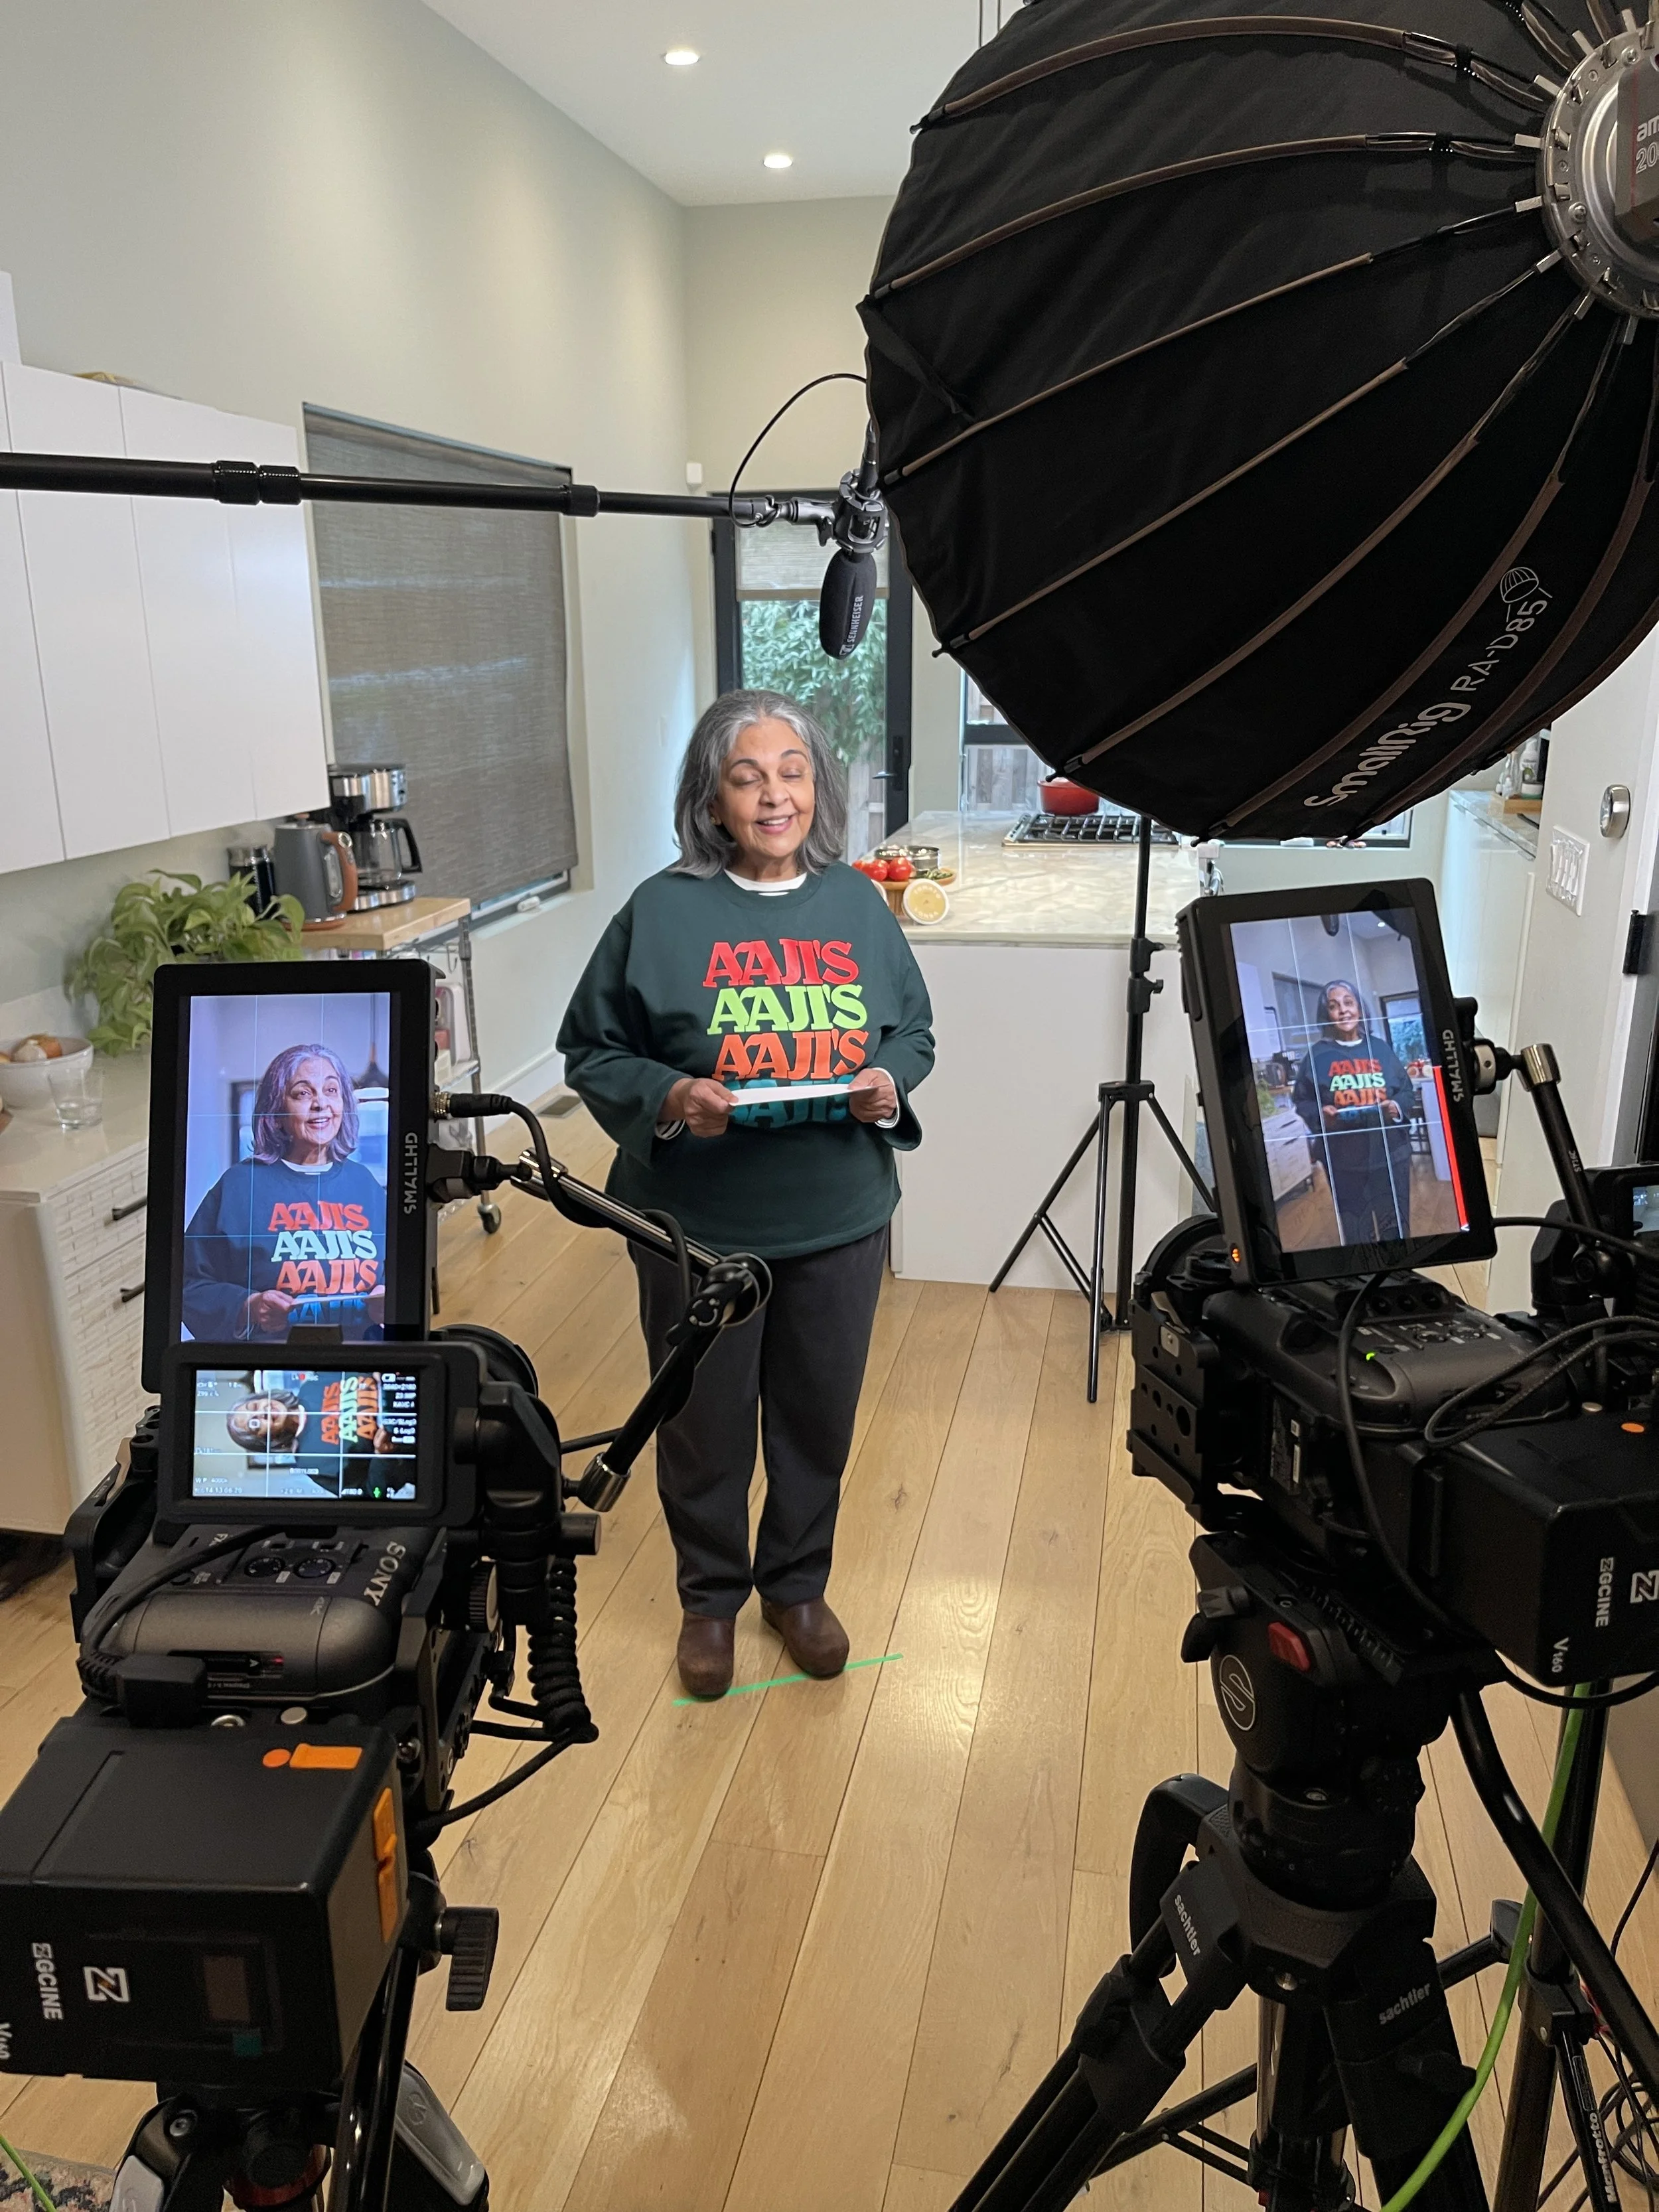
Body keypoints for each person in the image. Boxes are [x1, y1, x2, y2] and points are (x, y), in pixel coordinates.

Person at [558, 688, 935, 1700]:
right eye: (748, 776)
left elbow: (913, 1031)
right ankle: (710, 1601)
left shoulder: (857, 902)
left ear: (820, 786)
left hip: (837, 1216)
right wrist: (672, 1095)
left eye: (794, 771)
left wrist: (889, 1083)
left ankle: (797, 1587)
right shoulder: (661, 911)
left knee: (817, 1418)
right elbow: (589, 1049)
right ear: (711, 799)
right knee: (702, 1422)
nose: (776, 795)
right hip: (698, 1228)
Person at [182, 1042, 386, 1344]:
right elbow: (187, 1285)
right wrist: (251, 1307)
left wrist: (387, 1298)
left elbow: (397, 1273)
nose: (320, 1104)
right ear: (275, 1111)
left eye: (331, 1091)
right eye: (303, 1093)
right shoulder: (239, 1186)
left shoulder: (364, 1183)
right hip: (270, 1362)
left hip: (363, 1356)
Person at [1291, 979, 1414, 1244]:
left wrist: (1396, 1107)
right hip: (1344, 1162)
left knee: (1396, 1231)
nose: (1343, 1011)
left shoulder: (1380, 1048)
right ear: (1327, 1015)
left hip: (1390, 1156)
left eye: (1349, 1003)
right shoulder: (1316, 1056)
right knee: (1357, 1234)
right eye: (1334, 1007)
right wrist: (1320, 1116)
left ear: (1360, 1008)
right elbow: (1302, 1100)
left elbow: (1406, 1090)